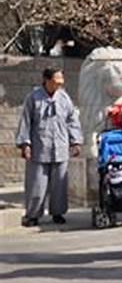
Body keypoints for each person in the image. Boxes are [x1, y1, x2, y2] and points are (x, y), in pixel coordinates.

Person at [16, 68, 83, 227]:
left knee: (59, 184)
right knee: (36, 183)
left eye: (61, 81)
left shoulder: (64, 98)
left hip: (60, 146)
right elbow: (25, 122)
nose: (59, 84)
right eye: (56, 81)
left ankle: (58, 213)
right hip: (39, 147)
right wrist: (25, 144)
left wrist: (76, 141)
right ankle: (33, 214)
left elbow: (72, 120)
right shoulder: (33, 98)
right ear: (46, 80)